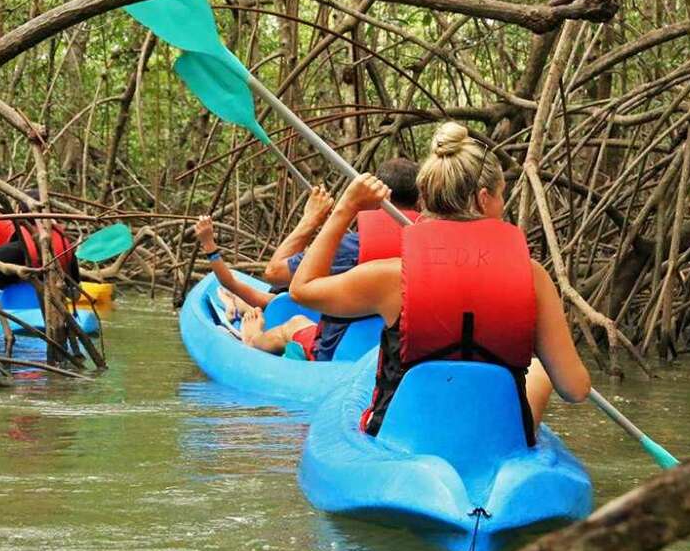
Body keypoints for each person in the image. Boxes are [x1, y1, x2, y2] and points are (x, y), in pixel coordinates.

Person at [290, 122, 590, 439]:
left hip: (403, 434)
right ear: (484, 198)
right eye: (502, 195)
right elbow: (575, 388)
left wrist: (345, 208)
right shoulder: (534, 277)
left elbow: (302, 288)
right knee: (540, 372)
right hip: (494, 440)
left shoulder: (392, 276)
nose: (503, 205)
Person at [262, 158, 421, 361]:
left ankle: (252, 338)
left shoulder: (349, 248)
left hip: (338, 353)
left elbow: (274, 273)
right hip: (402, 354)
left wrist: (310, 220)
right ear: (419, 201)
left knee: (294, 323)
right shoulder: (428, 247)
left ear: (374, 198)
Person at [194, 214, 319, 355]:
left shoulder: (290, 298)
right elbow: (230, 283)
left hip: (276, 303)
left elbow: (230, 282)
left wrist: (209, 245)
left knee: (255, 305)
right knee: (254, 303)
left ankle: (241, 317)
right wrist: (208, 244)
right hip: (277, 298)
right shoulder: (285, 295)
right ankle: (233, 304)